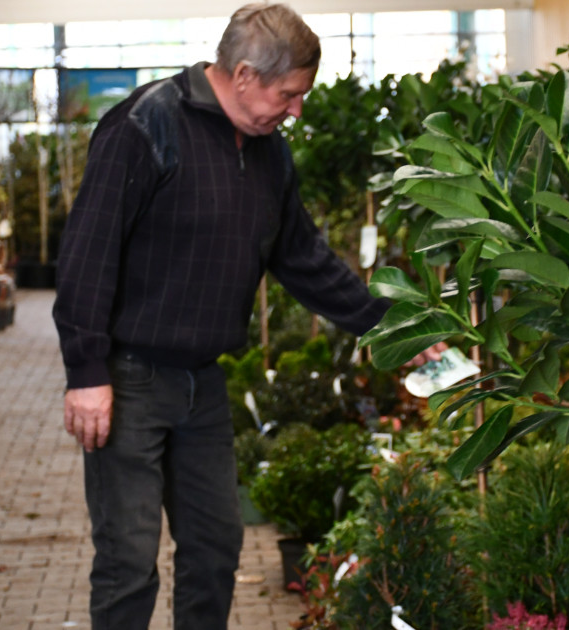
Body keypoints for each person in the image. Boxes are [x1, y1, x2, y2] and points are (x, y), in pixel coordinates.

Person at [52, 4, 395, 627]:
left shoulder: (267, 151)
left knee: (214, 551)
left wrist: (389, 324)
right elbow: (87, 253)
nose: (296, 110)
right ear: (242, 75)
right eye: (289, 95)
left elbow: (302, 257)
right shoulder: (144, 126)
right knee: (128, 561)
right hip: (128, 380)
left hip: (203, 385)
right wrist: (86, 373)